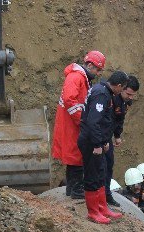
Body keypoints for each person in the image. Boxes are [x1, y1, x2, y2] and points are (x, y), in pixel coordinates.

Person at [52, 50, 106, 200]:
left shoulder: (78, 77)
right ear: (90, 65)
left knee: (74, 153)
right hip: (72, 124)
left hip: (71, 123)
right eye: (98, 69)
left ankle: (72, 188)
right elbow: (71, 100)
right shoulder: (76, 77)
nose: (98, 73)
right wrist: (82, 120)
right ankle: (76, 190)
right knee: (76, 154)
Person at [77, 71, 129, 224]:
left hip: (98, 140)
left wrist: (105, 140)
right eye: (123, 88)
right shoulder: (102, 94)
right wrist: (98, 144)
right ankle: (93, 212)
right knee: (92, 175)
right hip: (90, 142)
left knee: (101, 173)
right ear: (118, 86)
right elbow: (94, 122)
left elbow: (104, 122)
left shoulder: (104, 91)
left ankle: (102, 207)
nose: (122, 92)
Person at [105, 76, 140, 207]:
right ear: (121, 88)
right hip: (101, 135)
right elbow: (105, 120)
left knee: (109, 164)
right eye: (129, 94)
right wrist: (103, 139)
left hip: (109, 134)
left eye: (133, 95)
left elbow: (120, 119)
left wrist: (117, 135)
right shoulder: (111, 99)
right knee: (101, 165)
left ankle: (106, 194)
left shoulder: (126, 102)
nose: (130, 97)